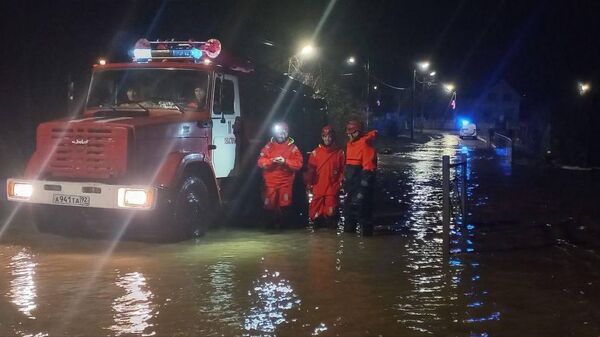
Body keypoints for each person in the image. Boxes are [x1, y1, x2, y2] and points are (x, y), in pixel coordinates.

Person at [257, 122, 304, 228]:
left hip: (285, 183)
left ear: (287, 133)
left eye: (284, 132)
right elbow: (260, 162)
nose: (281, 135)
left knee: (285, 206)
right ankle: (269, 230)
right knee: (269, 206)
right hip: (270, 184)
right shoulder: (268, 146)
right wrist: (272, 161)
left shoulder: (293, 148)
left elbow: (299, 164)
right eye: (279, 132)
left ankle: (284, 230)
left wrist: (285, 161)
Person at [304, 125, 345, 228]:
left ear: (333, 137)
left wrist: (340, 184)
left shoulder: (339, 153)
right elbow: (310, 172)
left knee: (331, 217)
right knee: (315, 217)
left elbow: (343, 170)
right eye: (325, 136)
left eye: (329, 136)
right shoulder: (315, 153)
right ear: (322, 137)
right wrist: (309, 184)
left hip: (332, 190)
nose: (327, 139)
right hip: (318, 189)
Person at [343, 120, 377, 236]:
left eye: (350, 132)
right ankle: (349, 248)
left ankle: (367, 246)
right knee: (348, 217)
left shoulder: (365, 144)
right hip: (351, 188)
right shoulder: (350, 145)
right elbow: (348, 168)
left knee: (364, 218)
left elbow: (369, 170)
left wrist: (362, 192)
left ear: (356, 132)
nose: (348, 134)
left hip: (361, 190)